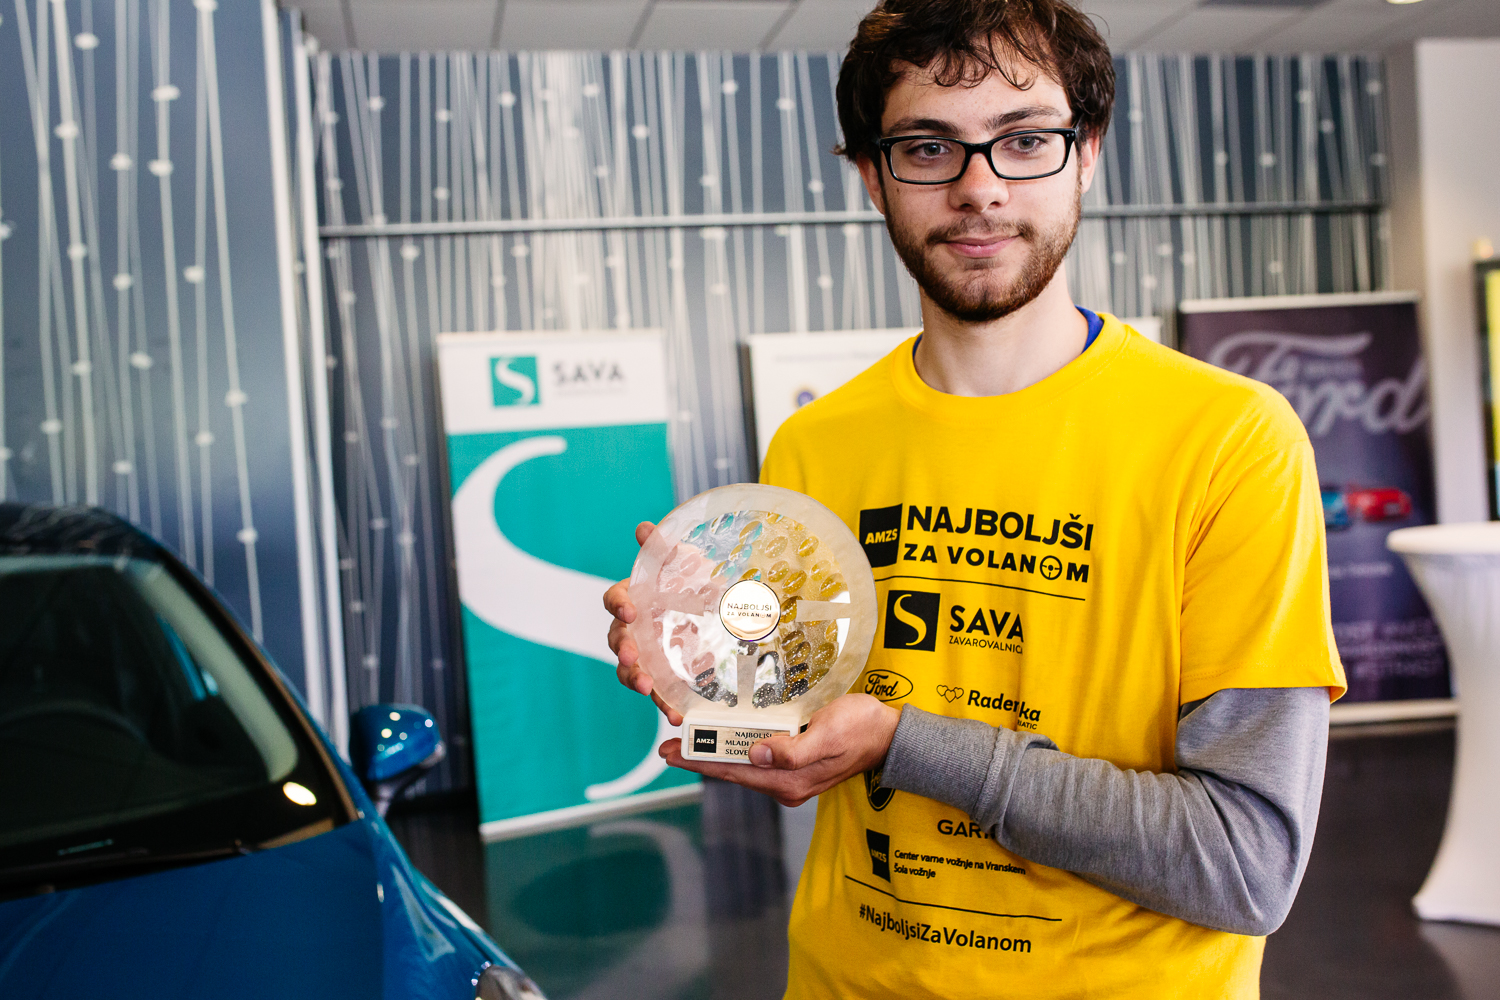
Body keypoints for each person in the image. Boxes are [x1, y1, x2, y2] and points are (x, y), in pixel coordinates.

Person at [604, 0, 1346, 994]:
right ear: (872, 177)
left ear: (1087, 155)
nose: (979, 188)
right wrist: (701, 659)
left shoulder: (1231, 441)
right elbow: (793, 716)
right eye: (927, 148)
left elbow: (1244, 865)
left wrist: (904, 744)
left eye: (1025, 140)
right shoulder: (815, 443)